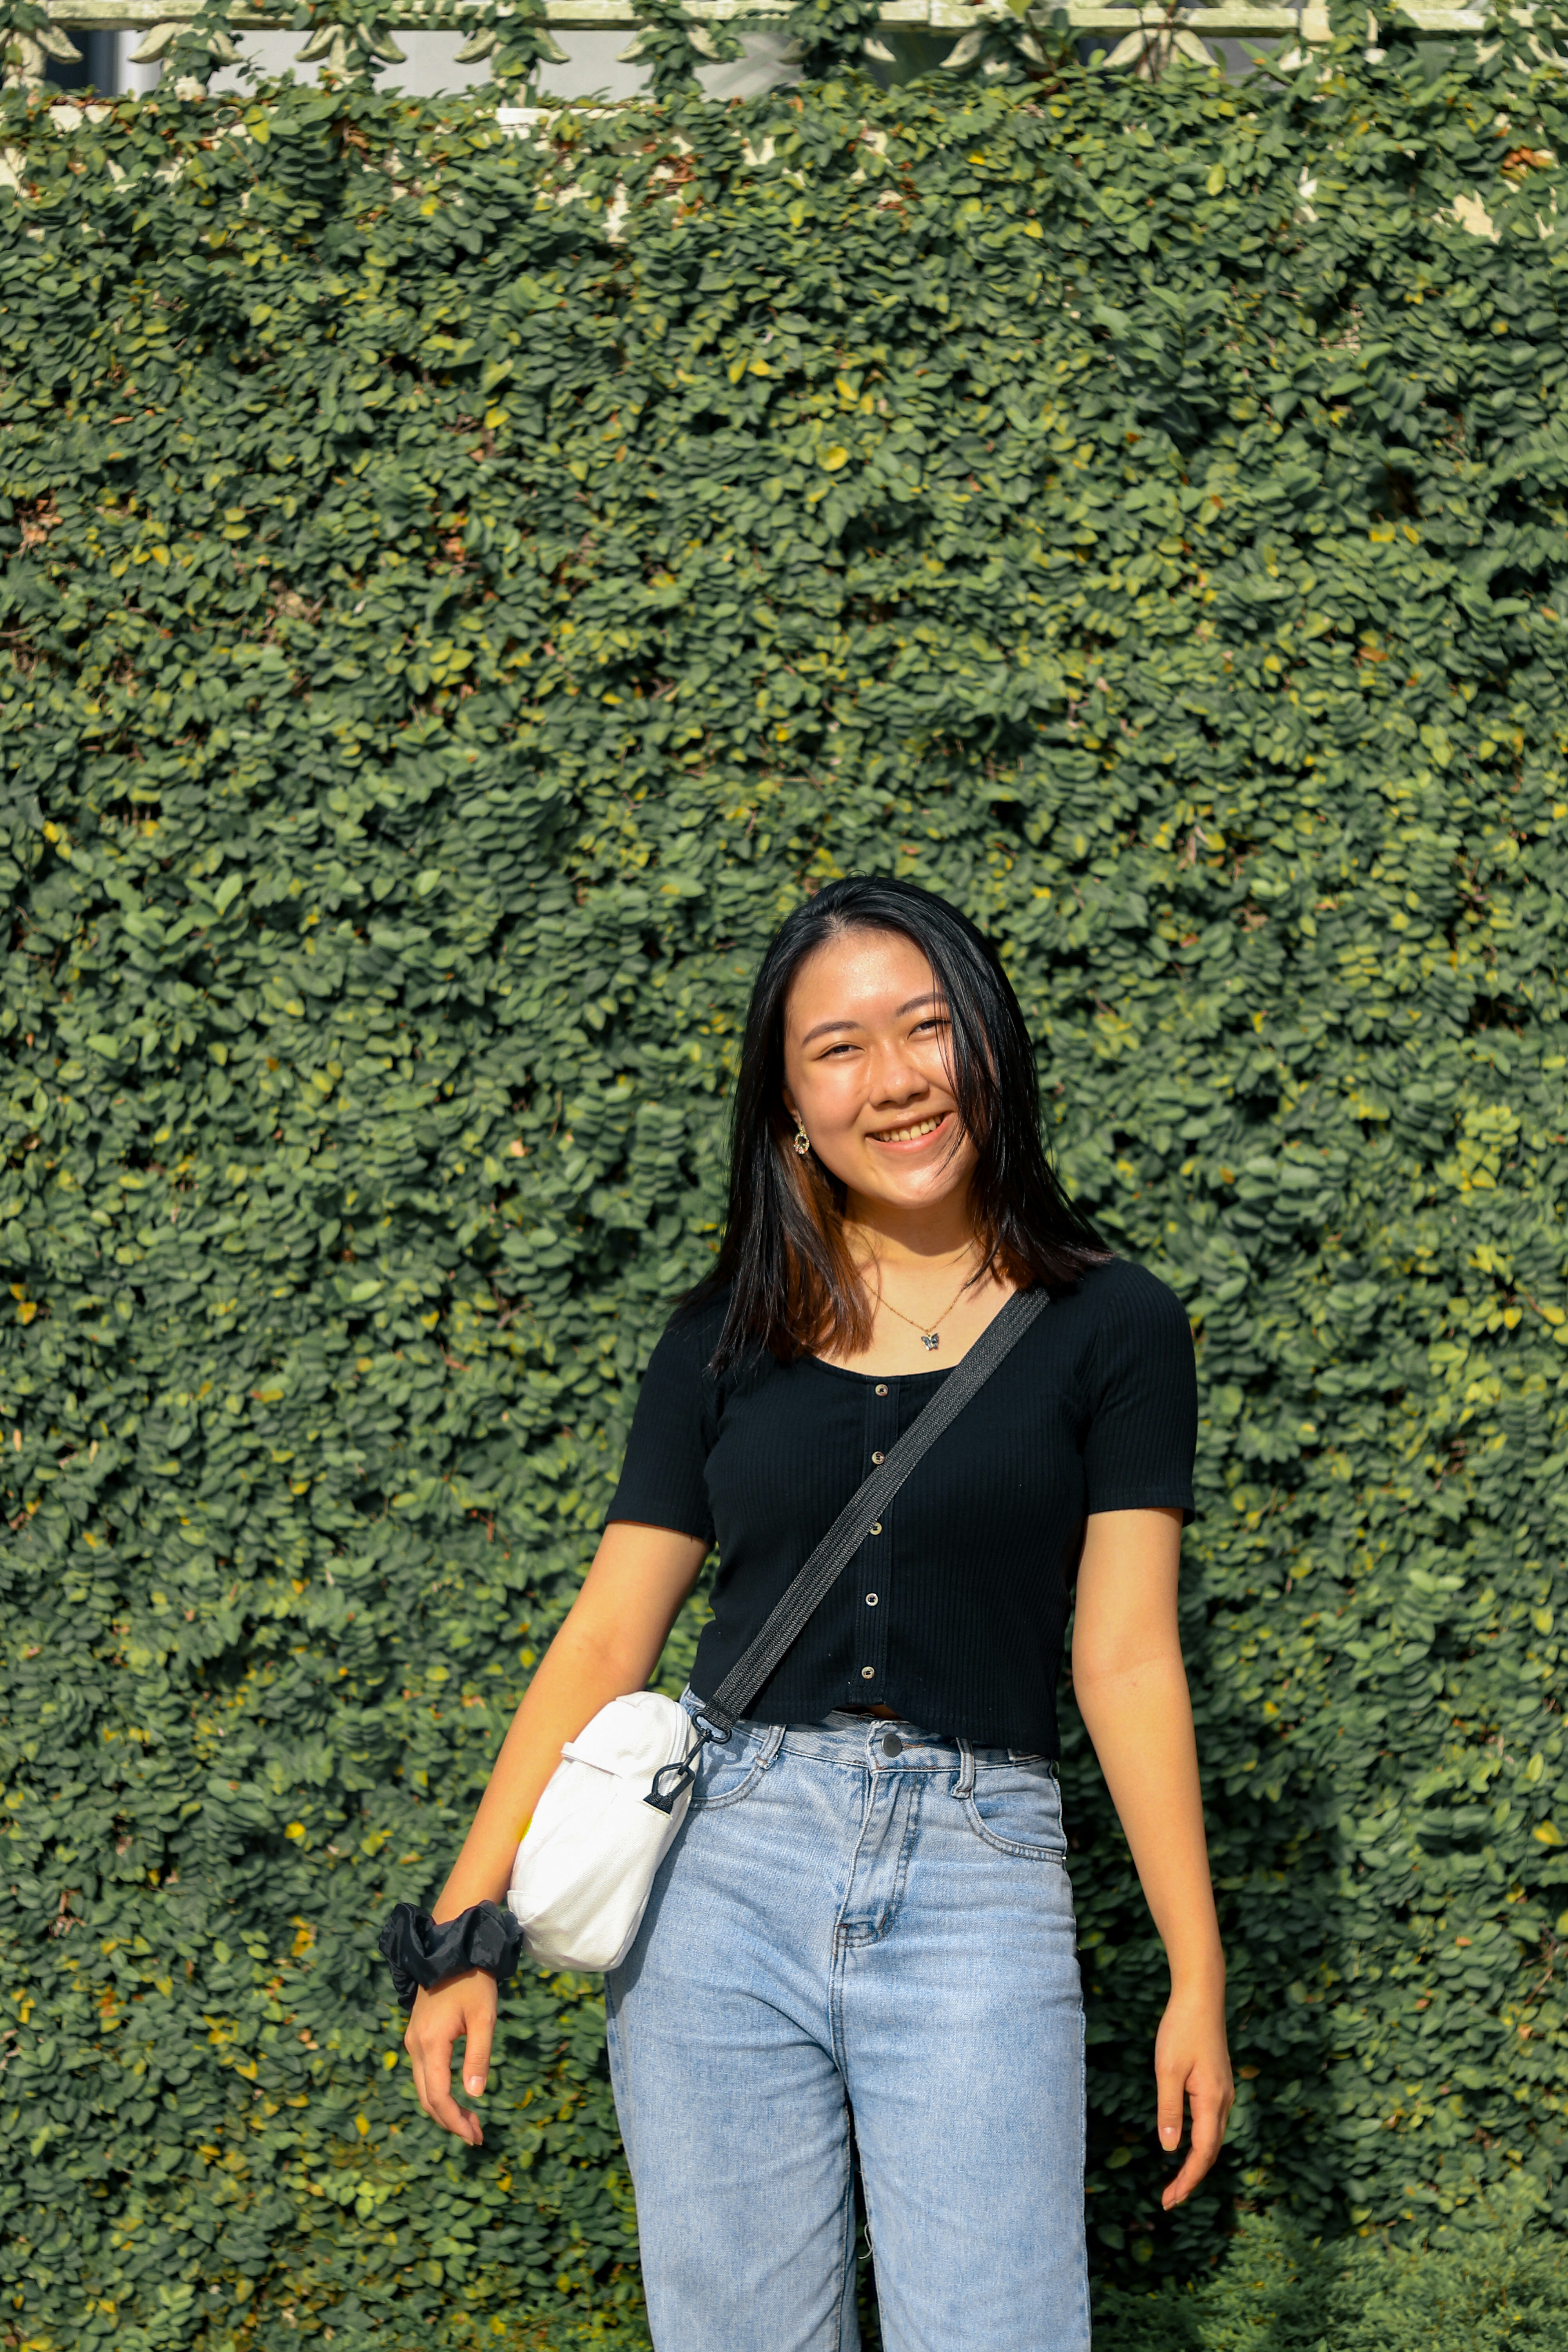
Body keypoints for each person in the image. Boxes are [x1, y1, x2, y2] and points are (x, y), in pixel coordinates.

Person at [399, 876, 1233, 2352]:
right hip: (719, 1877)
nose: (895, 1080)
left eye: (926, 1029)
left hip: (980, 1880)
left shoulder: (1118, 1326)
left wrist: (1196, 1968)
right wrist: (469, 1927)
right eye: (838, 1049)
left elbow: (1122, 1657)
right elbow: (608, 1639)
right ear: (789, 1106)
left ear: (990, 1043)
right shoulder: (722, 1334)